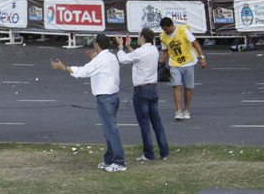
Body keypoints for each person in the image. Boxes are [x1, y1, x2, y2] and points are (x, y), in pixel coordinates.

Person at [51, 33, 126, 172]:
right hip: (113, 96)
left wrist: (64, 67)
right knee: (109, 130)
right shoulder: (111, 56)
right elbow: (99, 66)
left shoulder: (100, 60)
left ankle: (119, 162)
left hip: (105, 98)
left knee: (111, 131)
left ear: (97, 44)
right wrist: (94, 58)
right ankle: (109, 160)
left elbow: (83, 72)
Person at [116, 29, 170, 161]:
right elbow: (137, 56)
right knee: (156, 122)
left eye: (139, 36)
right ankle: (164, 152)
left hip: (142, 90)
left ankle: (148, 153)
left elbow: (123, 59)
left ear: (143, 38)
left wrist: (121, 46)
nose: (138, 38)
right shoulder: (153, 50)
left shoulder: (141, 52)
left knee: (144, 123)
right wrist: (129, 47)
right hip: (153, 88)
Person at [158, 17, 207, 120]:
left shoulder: (183, 31)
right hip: (175, 64)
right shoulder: (163, 37)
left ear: (171, 25)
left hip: (188, 62)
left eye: (166, 29)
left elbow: (195, 43)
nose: (165, 31)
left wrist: (201, 57)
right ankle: (178, 111)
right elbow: (165, 51)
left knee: (188, 88)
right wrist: (160, 62)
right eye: (163, 30)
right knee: (176, 86)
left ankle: (186, 110)